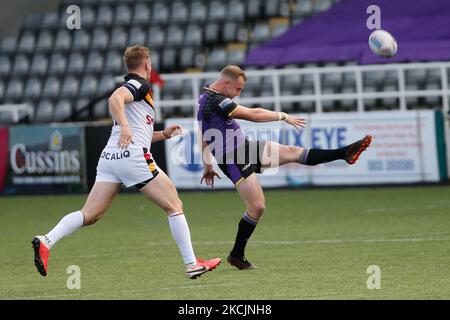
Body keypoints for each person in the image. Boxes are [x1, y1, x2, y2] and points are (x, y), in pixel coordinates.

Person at [32, 45, 221, 280]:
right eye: (150, 62)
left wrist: (162, 134)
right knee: (174, 205)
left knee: (90, 214)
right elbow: (115, 98)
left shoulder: (138, 92)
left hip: (111, 157)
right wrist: (125, 125)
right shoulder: (139, 85)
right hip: (132, 156)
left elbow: (135, 130)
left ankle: (46, 241)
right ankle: (192, 264)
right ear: (146, 65)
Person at [197, 65, 372, 270]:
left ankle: (344, 153)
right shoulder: (215, 100)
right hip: (232, 158)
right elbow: (253, 114)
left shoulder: (207, 94)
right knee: (257, 207)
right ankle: (236, 255)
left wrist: (207, 164)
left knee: (292, 152)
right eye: (238, 89)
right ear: (227, 82)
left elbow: (204, 132)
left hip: (244, 148)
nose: (238, 93)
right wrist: (283, 116)